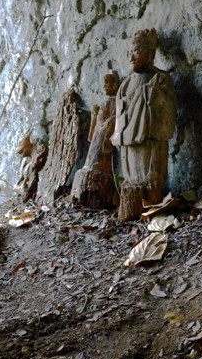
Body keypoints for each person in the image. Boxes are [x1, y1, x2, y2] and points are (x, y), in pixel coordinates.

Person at [111, 29, 177, 220]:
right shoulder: (125, 84)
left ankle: (153, 206)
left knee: (151, 180)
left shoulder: (161, 79)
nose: (131, 57)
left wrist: (152, 95)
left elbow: (168, 110)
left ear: (149, 54)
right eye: (129, 52)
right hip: (130, 145)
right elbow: (121, 114)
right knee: (131, 182)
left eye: (136, 51)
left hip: (151, 144)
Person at [69, 72, 120, 208]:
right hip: (98, 133)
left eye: (107, 84)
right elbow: (93, 131)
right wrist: (94, 115)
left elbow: (116, 118)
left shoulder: (115, 101)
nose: (104, 87)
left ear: (114, 85)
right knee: (91, 155)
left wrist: (108, 123)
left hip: (105, 134)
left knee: (100, 156)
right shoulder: (103, 102)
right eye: (103, 84)